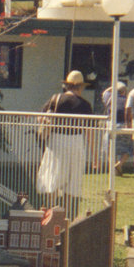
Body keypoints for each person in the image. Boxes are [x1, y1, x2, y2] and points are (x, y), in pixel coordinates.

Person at [36, 70, 93, 219]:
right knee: (72, 178)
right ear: (81, 87)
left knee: (53, 175)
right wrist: (95, 156)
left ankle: (49, 210)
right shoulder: (85, 105)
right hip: (76, 142)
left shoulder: (55, 99)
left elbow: (40, 117)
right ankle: (65, 215)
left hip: (56, 140)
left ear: (67, 85)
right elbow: (90, 131)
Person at [101, 82, 133, 175]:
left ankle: (113, 170)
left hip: (110, 125)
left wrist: (113, 86)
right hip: (123, 125)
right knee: (128, 148)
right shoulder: (127, 100)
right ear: (124, 92)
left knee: (110, 148)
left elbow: (104, 92)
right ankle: (119, 164)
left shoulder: (109, 97)